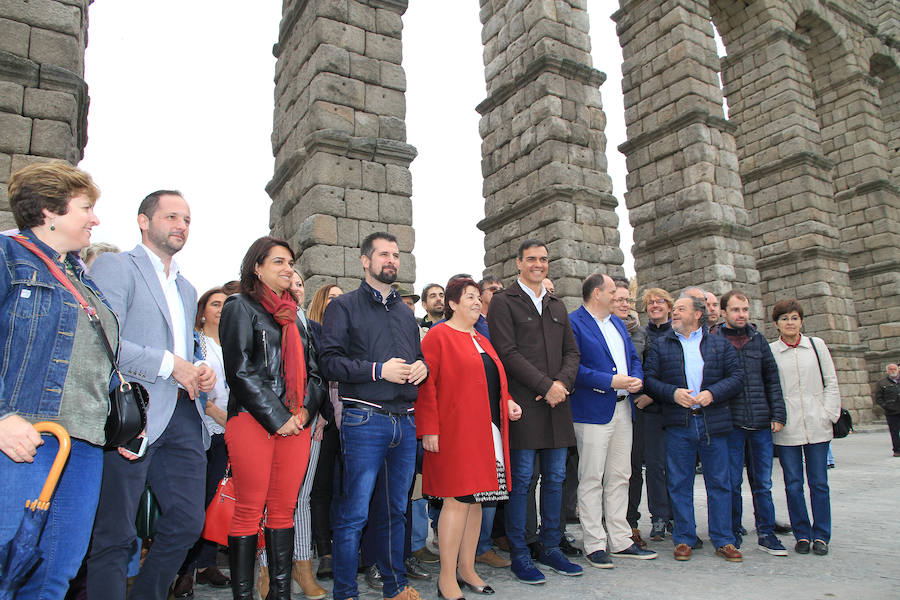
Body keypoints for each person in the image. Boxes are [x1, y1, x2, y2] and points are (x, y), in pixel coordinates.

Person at [86, 190, 216, 600]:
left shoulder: (186, 286)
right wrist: (168, 363)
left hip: (183, 413)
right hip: (133, 412)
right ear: (144, 221)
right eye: (172, 216)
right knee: (115, 531)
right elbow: (103, 339)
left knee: (188, 523)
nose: (182, 226)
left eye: (188, 220)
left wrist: (199, 367)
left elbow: (183, 347)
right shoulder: (115, 267)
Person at [0, 163, 118, 600]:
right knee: (8, 566)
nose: (95, 218)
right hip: (28, 437)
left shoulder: (81, 275)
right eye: (86, 207)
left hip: (83, 442)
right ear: (50, 211)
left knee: (55, 576)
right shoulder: (7, 256)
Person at [319, 231, 428, 600]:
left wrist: (422, 368)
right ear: (365, 261)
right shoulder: (343, 307)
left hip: (405, 419)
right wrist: (378, 370)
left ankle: (394, 586)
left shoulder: (404, 312)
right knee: (354, 515)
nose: (391, 261)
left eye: (396, 255)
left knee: (396, 511)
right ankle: (345, 592)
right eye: (384, 254)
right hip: (365, 419)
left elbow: (418, 356)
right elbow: (329, 362)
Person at [219, 237, 325, 600]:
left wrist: (305, 412)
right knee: (249, 508)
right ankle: (244, 595)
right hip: (253, 419)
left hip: (297, 423)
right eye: (278, 261)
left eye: (290, 262)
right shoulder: (240, 306)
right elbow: (240, 370)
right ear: (257, 267)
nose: (287, 268)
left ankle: (281, 594)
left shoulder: (295, 313)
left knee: (284, 509)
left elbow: (316, 373)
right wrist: (278, 417)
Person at [417, 277, 523, 599]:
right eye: (470, 297)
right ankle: (446, 577)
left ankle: (467, 568)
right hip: (454, 432)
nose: (478, 302)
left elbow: (493, 381)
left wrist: (507, 401)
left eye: (479, 297)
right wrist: (429, 429)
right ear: (452, 303)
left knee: (476, 501)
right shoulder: (438, 336)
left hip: (487, 431)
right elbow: (426, 386)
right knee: (456, 500)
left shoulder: (483, 338)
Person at [488, 239, 582, 584]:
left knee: (557, 478)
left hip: (557, 405)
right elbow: (507, 353)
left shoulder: (557, 304)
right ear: (518, 263)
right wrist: (546, 386)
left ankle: (551, 545)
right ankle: (521, 551)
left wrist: (561, 384)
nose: (538, 264)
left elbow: (572, 352)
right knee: (524, 481)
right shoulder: (503, 302)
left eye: (543, 259)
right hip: (525, 405)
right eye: (531, 259)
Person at [643, 295, 743, 562]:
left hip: (713, 422)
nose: (674, 313)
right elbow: (649, 380)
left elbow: (736, 378)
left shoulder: (720, 345)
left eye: (680, 309)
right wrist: (672, 393)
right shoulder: (661, 346)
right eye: (674, 309)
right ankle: (684, 538)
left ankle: (724, 539)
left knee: (720, 483)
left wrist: (713, 392)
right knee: (679, 483)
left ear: (698, 314)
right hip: (679, 423)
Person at [569, 274, 657, 568]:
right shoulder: (574, 323)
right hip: (592, 410)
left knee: (621, 475)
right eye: (612, 291)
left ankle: (620, 539)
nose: (618, 295)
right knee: (592, 477)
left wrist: (636, 379)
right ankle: (594, 543)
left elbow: (633, 357)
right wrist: (610, 380)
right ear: (597, 294)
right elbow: (573, 369)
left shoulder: (618, 323)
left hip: (623, 409)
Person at [256, 270, 329, 600]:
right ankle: (267, 568)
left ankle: (302, 566)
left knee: (301, 497)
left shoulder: (311, 328)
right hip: (267, 420)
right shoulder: (255, 315)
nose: (295, 288)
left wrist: (317, 415)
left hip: (307, 422)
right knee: (266, 499)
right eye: (290, 282)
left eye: (300, 284)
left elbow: (320, 375)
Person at [714, 290, 787, 555]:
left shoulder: (759, 340)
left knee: (763, 484)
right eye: (735, 310)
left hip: (760, 423)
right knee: (731, 482)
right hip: (729, 424)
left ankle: (767, 533)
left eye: (744, 309)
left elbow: (772, 379)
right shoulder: (714, 340)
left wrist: (778, 414)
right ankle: (733, 532)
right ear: (724, 312)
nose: (741, 314)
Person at [769, 298, 841, 556]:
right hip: (787, 426)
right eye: (785, 318)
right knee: (792, 483)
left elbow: (831, 381)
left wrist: (828, 413)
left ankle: (821, 535)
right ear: (776, 323)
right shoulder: (772, 351)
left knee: (819, 483)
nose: (790, 322)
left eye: (794, 318)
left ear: (801, 321)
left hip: (817, 423)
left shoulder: (816, 345)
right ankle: (802, 534)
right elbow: (770, 387)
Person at [174, 287, 232, 596]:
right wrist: (213, 411)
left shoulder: (235, 344)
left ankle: (207, 563)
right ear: (203, 311)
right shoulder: (196, 342)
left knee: (217, 497)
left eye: (226, 304)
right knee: (196, 499)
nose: (222, 309)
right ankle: (184, 569)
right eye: (216, 303)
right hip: (203, 425)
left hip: (230, 431)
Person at [628, 287, 675, 543]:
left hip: (670, 405)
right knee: (652, 466)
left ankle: (673, 516)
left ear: (669, 305)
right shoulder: (641, 333)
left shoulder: (678, 333)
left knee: (673, 466)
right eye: (650, 303)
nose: (655, 305)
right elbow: (643, 368)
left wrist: (653, 395)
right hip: (646, 409)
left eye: (660, 301)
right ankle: (657, 517)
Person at [306, 283, 344, 580]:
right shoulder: (310, 331)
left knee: (347, 487)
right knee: (321, 488)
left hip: (351, 418)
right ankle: (325, 552)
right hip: (324, 420)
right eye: (332, 297)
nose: (337, 302)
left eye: (341, 298)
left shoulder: (350, 331)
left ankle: (346, 548)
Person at [875, 363, 900, 457]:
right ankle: (897, 450)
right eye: (890, 369)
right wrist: (886, 406)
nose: (893, 370)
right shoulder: (882, 383)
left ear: (898, 369)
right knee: (894, 432)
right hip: (891, 412)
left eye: (894, 369)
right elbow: (878, 398)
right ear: (887, 371)